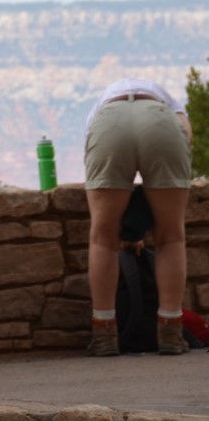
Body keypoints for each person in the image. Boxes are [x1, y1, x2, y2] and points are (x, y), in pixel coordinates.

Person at [83, 77, 193, 356]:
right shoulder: (167, 99)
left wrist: (127, 229)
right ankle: (170, 330)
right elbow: (186, 135)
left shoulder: (100, 105)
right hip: (161, 124)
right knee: (171, 237)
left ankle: (104, 333)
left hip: (109, 123)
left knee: (102, 238)